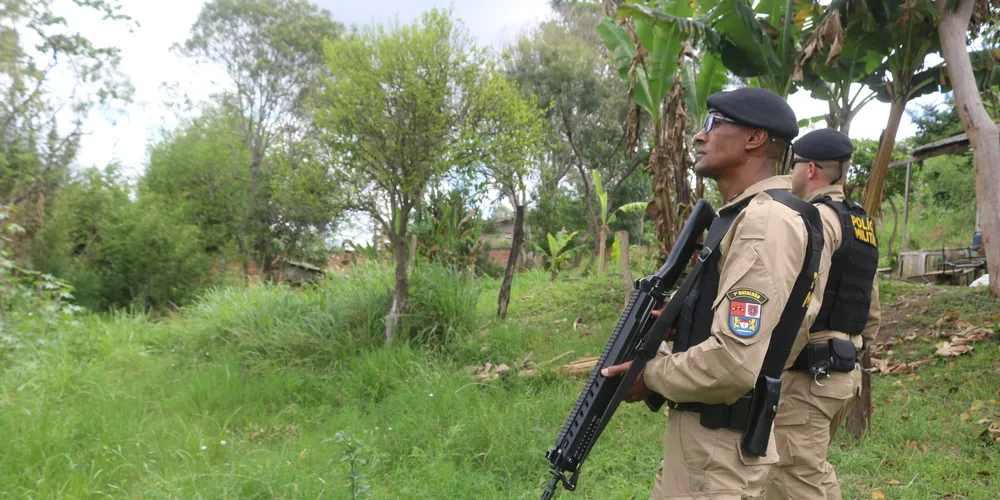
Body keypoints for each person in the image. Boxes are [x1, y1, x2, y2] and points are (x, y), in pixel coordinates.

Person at [601, 87, 823, 499]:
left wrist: (646, 375)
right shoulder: (750, 215)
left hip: (717, 453)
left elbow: (733, 363)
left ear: (754, 139)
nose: (699, 136)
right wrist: (686, 320)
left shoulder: (764, 222)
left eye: (713, 124)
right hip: (706, 445)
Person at [764, 128, 881, 499]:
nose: (792, 173)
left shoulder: (814, 218)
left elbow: (804, 304)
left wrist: (773, 365)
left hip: (809, 374)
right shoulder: (861, 223)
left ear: (810, 168)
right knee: (807, 470)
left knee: (794, 474)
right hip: (844, 373)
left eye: (794, 165)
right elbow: (871, 305)